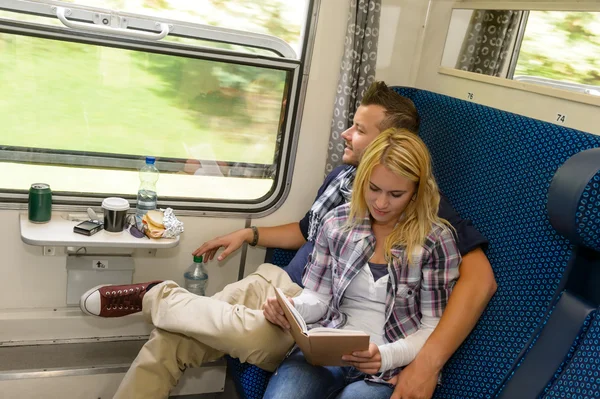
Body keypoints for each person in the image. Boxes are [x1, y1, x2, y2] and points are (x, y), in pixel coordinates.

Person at [80, 81, 496, 399]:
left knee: (233, 332)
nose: (346, 134)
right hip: (286, 286)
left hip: (321, 314)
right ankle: (164, 306)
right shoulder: (346, 185)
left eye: (359, 129)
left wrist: (426, 363)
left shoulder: (428, 213)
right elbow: (306, 230)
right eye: (351, 123)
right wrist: (251, 232)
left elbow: (478, 282)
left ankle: (158, 296)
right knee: (171, 340)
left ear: (391, 143)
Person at [262, 128, 460, 398]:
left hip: (390, 365)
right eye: (374, 188)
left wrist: (385, 357)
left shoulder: (436, 241)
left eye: (395, 194)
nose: (380, 203)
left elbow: (432, 329)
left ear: (416, 191)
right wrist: (293, 309)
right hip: (328, 348)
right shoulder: (337, 223)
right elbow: (318, 298)